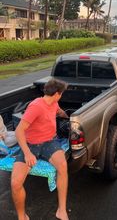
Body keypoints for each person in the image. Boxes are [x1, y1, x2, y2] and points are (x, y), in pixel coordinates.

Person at [11, 79, 69, 220]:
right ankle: (22, 216)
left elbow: (59, 112)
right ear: (57, 94)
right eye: (61, 93)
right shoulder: (36, 106)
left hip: (50, 141)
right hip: (30, 145)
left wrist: (68, 117)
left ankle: (61, 210)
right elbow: (19, 131)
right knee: (15, 183)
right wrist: (27, 153)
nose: (61, 96)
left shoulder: (54, 102)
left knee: (62, 166)